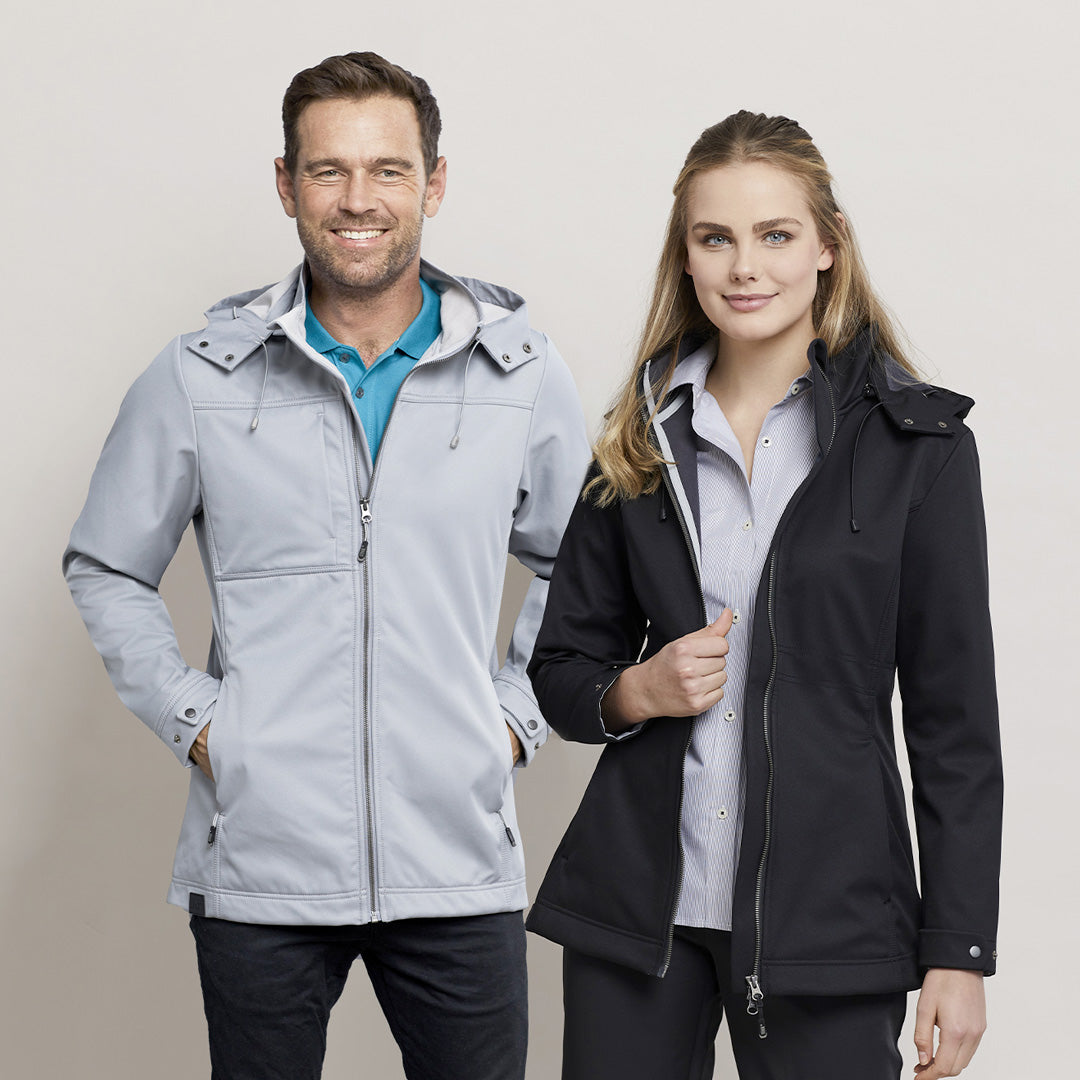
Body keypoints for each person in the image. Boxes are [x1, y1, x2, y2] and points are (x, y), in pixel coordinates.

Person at [63, 51, 588, 1080]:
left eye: (389, 169)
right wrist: (202, 724)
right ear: (286, 183)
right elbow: (106, 565)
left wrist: (509, 723)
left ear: (434, 183)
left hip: (456, 861)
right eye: (328, 170)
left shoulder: (521, 376)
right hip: (262, 861)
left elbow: (586, 570)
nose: (358, 200)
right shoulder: (202, 377)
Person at [525, 111, 1002, 1080]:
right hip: (636, 917)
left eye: (775, 235)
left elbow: (954, 723)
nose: (746, 267)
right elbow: (561, 669)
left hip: (830, 921)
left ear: (828, 245)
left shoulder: (919, 451)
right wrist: (637, 690)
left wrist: (957, 949)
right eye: (716, 238)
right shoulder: (638, 440)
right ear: (686, 256)